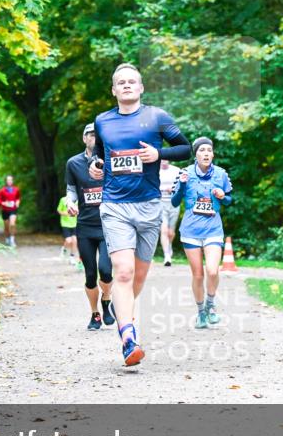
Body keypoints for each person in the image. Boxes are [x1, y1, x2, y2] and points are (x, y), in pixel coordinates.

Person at [89, 63, 192, 366]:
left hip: (149, 206)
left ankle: (126, 316)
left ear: (141, 87)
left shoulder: (156, 117)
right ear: (113, 90)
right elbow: (100, 155)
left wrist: (159, 154)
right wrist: (97, 165)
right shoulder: (102, 121)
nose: (127, 86)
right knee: (122, 271)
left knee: (138, 276)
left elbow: (185, 148)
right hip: (115, 205)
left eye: (132, 81)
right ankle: (127, 338)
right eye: (121, 82)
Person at [172, 137, 233, 328]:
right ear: (195, 154)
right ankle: (200, 313)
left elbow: (229, 200)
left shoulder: (221, 174)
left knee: (213, 270)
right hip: (190, 230)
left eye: (209, 150)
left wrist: (223, 197)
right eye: (202, 150)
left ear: (213, 154)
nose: (206, 153)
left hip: (213, 229)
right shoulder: (185, 173)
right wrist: (181, 185)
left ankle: (211, 305)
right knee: (198, 275)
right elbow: (174, 202)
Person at [66, 123, 115, 330]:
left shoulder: (111, 160)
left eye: (97, 135)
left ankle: (107, 299)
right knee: (89, 274)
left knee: (105, 270)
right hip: (85, 225)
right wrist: (70, 201)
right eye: (90, 135)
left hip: (108, 224)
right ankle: (95, 313)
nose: (94, 138)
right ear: (84, 138)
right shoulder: (73, 163)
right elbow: (71, 189)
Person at [159, 159, 182, 266]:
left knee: (170, 232)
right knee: (163, 230)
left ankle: (169, 245)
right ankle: (167, 256)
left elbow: (182, 186)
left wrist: (172, 189)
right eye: (161, 160)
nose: (163, 162)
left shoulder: (176, 170)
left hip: (174, 203)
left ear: (169, 160)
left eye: (165, 160)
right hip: (160, 204)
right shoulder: (155, 171)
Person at [0, 175, 21, 246]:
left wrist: (17, 202)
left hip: (13, 209)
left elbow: (18, 197)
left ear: (12, 181)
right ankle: (7, 238)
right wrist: (3, 203)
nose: (9, 181)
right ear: (6, 181)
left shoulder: (16, 189)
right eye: (8, 180)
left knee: (12, 224)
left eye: (10, 180)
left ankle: (12, 240)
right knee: (6, 227)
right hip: (5, 210)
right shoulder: (2, 190)